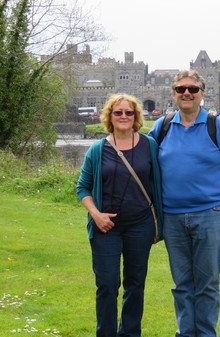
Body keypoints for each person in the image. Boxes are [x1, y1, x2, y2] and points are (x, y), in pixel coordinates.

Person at [148, 70, 220, 337]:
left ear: (202, 93)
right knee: (182, 283)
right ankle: (185, 333)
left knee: (207, 284)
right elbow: (141, 158)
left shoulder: (218, 126)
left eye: (192, 89)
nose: (187, 93)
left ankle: (205, 334)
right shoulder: (163, 126)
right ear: (174, 94)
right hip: (172, 218)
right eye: (181, 89)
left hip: (211, 215)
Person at [76, 93, 163, 337]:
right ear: (110, 117)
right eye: (118, 112)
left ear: (136, 117)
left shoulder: (149, 145)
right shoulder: (97, 150)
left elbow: (159, 182)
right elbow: (83, 187)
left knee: (135, 284)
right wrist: (96, 214)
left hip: (140, 225)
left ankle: (130, 333)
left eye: (129, 112)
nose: (124, 116)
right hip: (107, 227)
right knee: (107, 284)